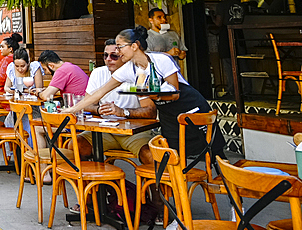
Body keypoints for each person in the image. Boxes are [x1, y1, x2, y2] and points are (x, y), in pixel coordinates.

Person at [64, 26, 224, 161]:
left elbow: (174, 93)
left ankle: (229, 186)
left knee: (213, 154)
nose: (118, 52)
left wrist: (140, 91)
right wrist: (71, 109)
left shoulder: (161, 60)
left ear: (134, 46)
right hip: (169, 116)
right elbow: (98, 93)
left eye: (120, 47)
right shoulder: (128, 69)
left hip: (190, 106)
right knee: (174, 159)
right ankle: (178, 196)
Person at [75, 39, 157, 165]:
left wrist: (122, 112)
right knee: (76, 145)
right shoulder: (98, 73)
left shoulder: (138, 74)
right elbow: (87, 103)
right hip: (105, 131)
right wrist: (98, 109)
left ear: (124, 56)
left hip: (135, 132)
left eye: (114, 55)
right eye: (105, 55)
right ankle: (99, 183)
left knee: (150, 155)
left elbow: (151, 111)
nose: (108, 59)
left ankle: (152, 185)